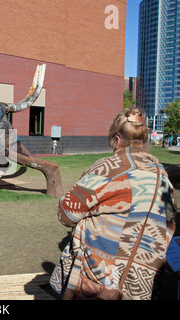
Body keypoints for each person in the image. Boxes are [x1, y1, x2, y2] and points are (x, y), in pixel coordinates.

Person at [50, 107, 177, 300]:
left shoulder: (108, 168)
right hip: (145, 283)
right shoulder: (163, 176)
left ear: (117, 139)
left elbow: (67, 213)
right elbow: (169, 224)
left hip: (100, 280)